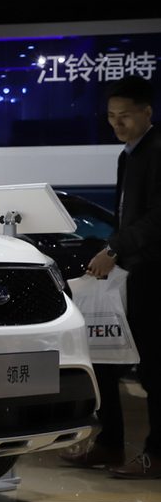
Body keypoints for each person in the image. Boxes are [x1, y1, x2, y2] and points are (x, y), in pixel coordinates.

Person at [60, 75, 161, 479]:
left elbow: (156, 218)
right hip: (128, 273)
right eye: (111, 116)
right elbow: (126, 216)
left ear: (147, 112)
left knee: (153, 368)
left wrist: (114, 248)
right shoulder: (127, 155)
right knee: (103, 356)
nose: (117, 123)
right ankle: (108, 442)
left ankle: (157, 453)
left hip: (152, 272)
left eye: (125, 116)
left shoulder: (157, 150)